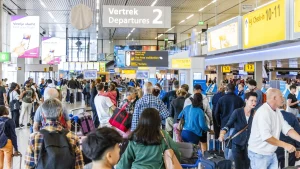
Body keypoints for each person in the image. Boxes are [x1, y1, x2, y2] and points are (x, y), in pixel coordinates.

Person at [248, 88, 300, 169]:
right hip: (259, 154)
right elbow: (266, 137)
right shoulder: (263, 112)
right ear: (274, 98)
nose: (283, 99)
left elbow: (287, 129)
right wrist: (285, 145)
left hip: (271, 153)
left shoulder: (277, 111)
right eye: (281, 96)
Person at [25, 99, 84, 169]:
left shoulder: (34, 138)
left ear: (43, 115)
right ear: (60, 115)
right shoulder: (73, 137)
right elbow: (79, 166)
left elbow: (28, 166)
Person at [218, 92, 258, 169]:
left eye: (255, 101)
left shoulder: (255, 114)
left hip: (249, 145)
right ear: (246, 100)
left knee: (247, 165)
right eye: (252, 100)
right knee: (238, 166)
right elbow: (228, 125)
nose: (254, 103)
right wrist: (222, 134)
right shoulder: (237, 112)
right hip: (237, 144)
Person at [214, 83, 244, 160]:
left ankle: (227, 160)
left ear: (226, 89)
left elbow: (216, 113)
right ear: (234, 90)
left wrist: (218, 123)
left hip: (224, 124)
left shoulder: (221, 99)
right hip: (236, 125)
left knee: (226, 143)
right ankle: (231, 161)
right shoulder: (239, 99)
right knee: (233, 143)